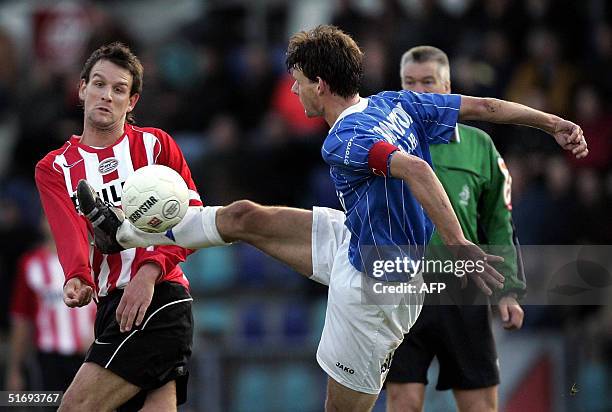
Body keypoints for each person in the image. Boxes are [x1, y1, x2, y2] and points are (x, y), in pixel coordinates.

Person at [77, 26, 587, 412]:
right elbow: (483, 105)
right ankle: (120, 230)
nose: (293, 92)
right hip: (354, 240)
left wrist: (457, 244)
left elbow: (413, 170)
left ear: (319, 84)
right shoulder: (396, 102)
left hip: (378, 290)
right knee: (244, 215)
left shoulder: (345, 139)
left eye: (297, 82)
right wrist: (552, 122)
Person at [34, 42, 201, 411]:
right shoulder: (54, 168)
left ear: (133, 101)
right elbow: (70, 230)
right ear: (82, 89)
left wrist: (148, 271)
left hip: (159, 299)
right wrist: (78, 276)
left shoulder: (155, 146)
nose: (106, 95)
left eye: (119, 89)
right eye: (98, 84)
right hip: (111, 306)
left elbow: (191, 215)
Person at [384, 45, 526, 412]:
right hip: (403, 287)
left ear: (448, 88)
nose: (419, 91)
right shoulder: (385, 143)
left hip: (462, 288)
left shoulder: (480, 146)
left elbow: (498, 221)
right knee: (403, 402)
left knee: (479, 405)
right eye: (409, 83)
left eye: (428, 82)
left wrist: (507, 290)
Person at [5, 217, 96, 395]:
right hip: (49, 358)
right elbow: (21, 318)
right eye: (48, 216)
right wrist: (15, 369)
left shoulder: (96, 258)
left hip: (92, 354)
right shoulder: (31, 264)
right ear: (41, 223)